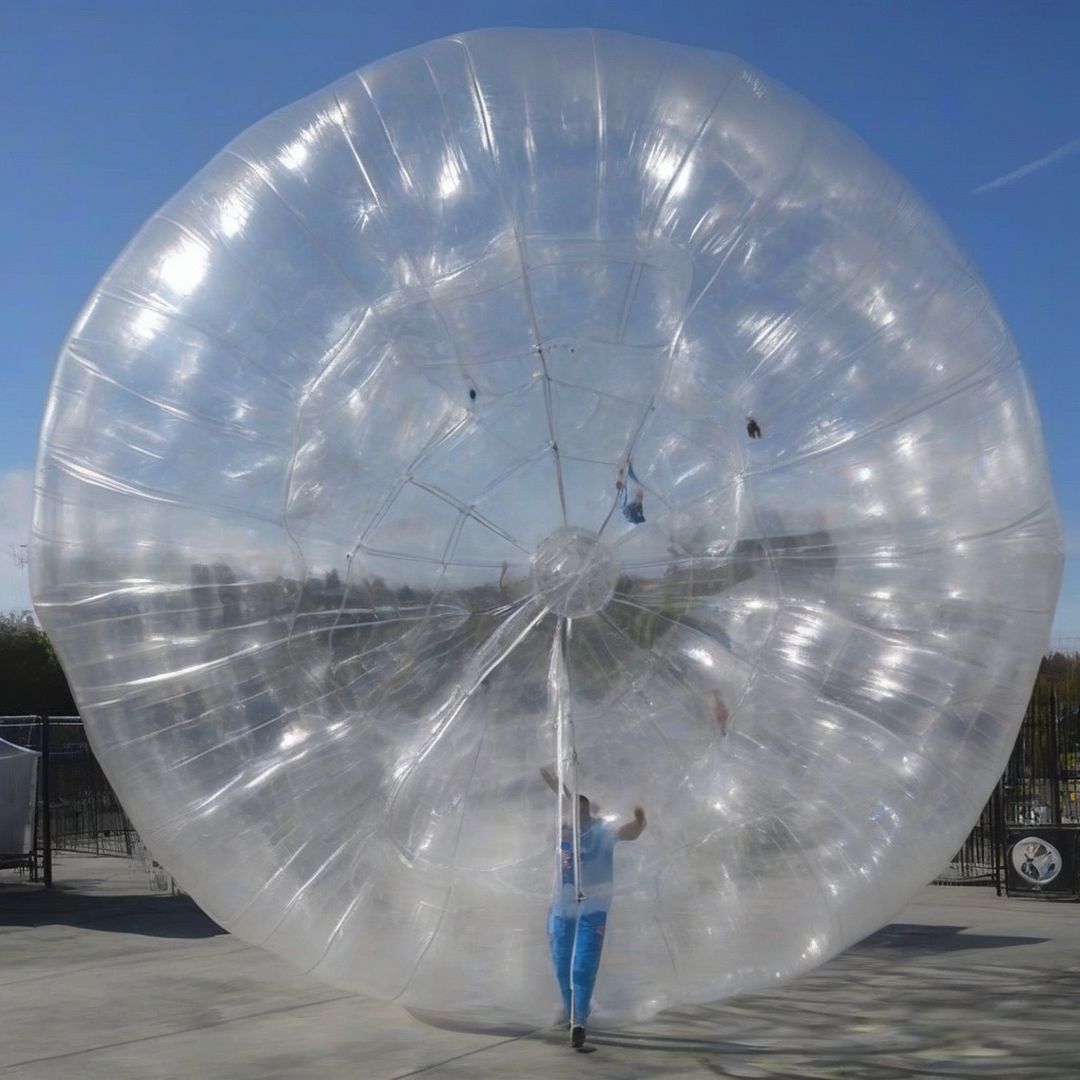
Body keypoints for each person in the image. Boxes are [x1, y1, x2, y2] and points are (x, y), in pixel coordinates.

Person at [540, 766, 646, 1049]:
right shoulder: (562, 832)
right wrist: (553, 781)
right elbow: (562, 797)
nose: (576, 818)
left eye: (582, 814)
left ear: (589, 815)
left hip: (593, 907)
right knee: (562, 965)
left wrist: (639, 823)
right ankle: (571, 1011)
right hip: (561, 907)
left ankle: (579, 1021)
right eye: (572, 813)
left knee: (582, 965)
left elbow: (627, 833)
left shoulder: (601, 833)